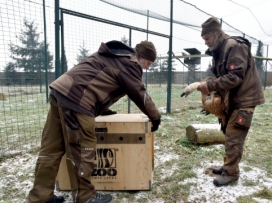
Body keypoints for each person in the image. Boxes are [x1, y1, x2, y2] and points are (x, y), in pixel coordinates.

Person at [28, 40, 161, 203]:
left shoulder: (112, 56)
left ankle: (40, 197)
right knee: (84, 148)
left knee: (51, 148)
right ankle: (84, 196)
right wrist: (155, 116)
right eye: (148, 62)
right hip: (76, 101)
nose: (147, 67)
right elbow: (139, 93)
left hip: (60, 93)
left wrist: (102, 109)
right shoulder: (130, 63)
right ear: (141, 56)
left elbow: (95, 80)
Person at [197, 17, 265, 187]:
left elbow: (235, 77)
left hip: (244, 100)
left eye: (207, 38)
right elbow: (223, 78)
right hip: (234, 100)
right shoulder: (219, 50)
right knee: (229, 134)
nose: (205, 42)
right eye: (204, 39)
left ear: (217, 34)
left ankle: (231, 173)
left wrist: (210, 85)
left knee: (234, 136)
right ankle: (228, 166)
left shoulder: (234, 46)